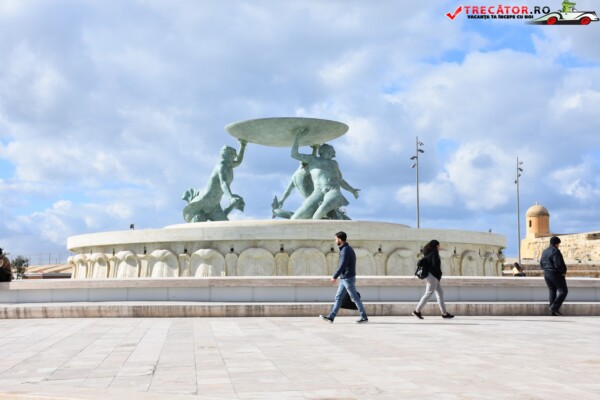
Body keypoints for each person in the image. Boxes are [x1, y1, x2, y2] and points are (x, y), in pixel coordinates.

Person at [290, 130, 360, 220]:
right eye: (330, 149)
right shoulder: (313, 160)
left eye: (332, 149)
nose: (333, 151)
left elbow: (340, 180)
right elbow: (294, 154)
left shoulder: (334, 163)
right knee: (295, 218)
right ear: (322, 151)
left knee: (317, 216)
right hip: (318, 191)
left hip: (333, 191)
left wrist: (352, 190)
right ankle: (333, 216)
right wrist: (297, 137)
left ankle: (331, 216)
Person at [182, 139, 247, 222]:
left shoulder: (229, 165)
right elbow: (223, 183)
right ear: (228, 155)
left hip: (215, 206)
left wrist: (243, 145)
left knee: (225, 225)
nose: (235, 156)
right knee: (199, 220)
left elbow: (239, 162)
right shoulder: (221, 167)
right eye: (233, 154)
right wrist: (230, 197)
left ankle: (230, 206)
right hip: (203, 203)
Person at [320, 231, 368, 323]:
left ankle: (364, 317)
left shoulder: (345, 250)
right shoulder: (346, 249)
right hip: (344, 278)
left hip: (347, 278)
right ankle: (331, 317)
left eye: (336, 239)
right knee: (338, 297)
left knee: (355, 298)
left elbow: (342, 265)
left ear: (339, 239)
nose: (335, 241)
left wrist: (334, 276)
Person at [412, 240, 454, 319]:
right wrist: (439, 274)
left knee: (440, 293)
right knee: (428, 294)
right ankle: (417, 311)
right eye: (438, 246)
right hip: (433, 277)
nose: (439, 247)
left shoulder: (428, 253)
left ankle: (444, 313)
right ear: (435, 246)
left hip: (430, 276)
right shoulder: (434, 253)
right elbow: (435, 266)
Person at [540, 236, 568, 316]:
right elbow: (558, 264)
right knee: (563, 291)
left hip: (546, 274)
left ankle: (552, 312)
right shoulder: (555, 251)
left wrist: (546, 270)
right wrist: (563, 272)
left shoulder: (544, 251)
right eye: (558, 243)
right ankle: (554, 307)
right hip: (555, 274)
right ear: (557, 243)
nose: (559, 245)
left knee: (552, 291)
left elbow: (541, 263)